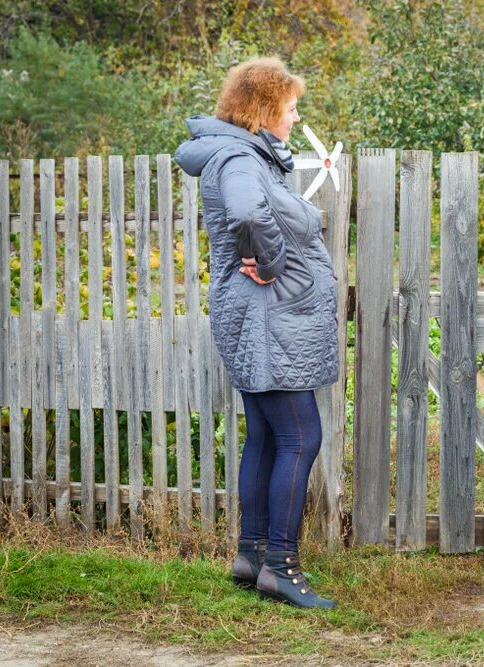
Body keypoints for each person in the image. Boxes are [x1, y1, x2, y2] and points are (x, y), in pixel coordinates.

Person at [174, 56, 338, 609]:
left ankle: (251, 555)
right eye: (291, 109)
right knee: (300, 436)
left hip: (262, 317)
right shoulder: (241, 159)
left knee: (267, 436)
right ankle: (282, 567)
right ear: (265, 110)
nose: (295, 119)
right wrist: (268, 264)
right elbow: (246, 215)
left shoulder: (242, 155)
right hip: (268, 316)